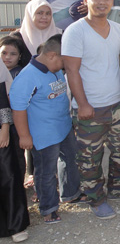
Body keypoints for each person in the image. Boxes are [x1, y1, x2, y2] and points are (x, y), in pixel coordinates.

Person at [62, 0, 120, 219]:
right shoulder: (75, 31)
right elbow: (71, 70)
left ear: (112, 1)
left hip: (118, 103)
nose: (102, 2)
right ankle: (96, 199)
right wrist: (82, 104)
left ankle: (118, 188)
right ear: (86, 1)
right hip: (89, 108)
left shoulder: (119, 29)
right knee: (90, 158)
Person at [11, 34, 82, 224]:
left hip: (63, 127)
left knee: (70, 160)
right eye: (63, 61)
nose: (66, 65)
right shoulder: (26, 77)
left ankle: (70, 193)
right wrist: (24, 136)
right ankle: (48, 208)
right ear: (52, 55)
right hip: (43, 135)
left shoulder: (54, 69)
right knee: (46, 172)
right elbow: (18, 109)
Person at [0, 63, 30, 243]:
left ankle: (16, 225)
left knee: (8, 175)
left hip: (1, 131)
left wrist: (4, 127)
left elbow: (2, 96)